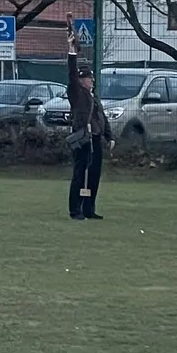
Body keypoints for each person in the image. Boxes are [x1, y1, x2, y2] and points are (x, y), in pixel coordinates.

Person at [65, 34, 111, 221]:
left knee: (93, 175)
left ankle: (89, 208)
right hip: (83, 137)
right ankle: (75, 209)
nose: (92, 81)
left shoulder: (93, 96)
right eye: (89, 78)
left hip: (96, 138)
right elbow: (71, 73)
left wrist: (109, 135)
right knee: (79, 174)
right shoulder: (77, 93)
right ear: (82, 80)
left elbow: (101, 117)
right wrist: (71, 52)